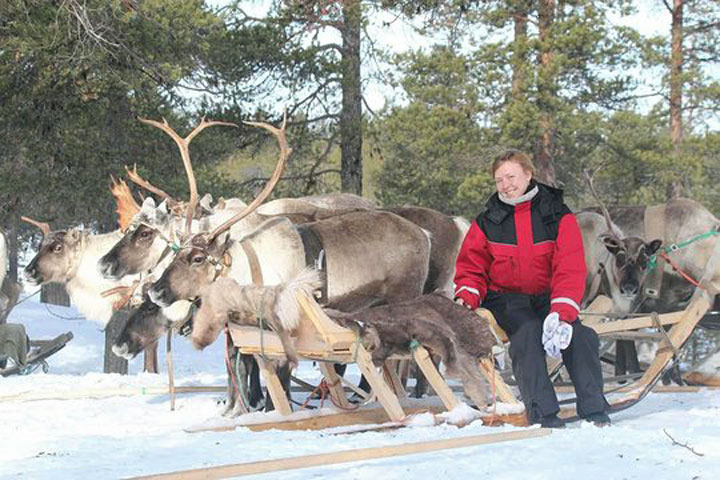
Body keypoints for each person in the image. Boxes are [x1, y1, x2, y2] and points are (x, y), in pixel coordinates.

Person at [454, 150, 610, 428]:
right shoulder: (488, 221)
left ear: (528, 175)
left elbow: (570, 265)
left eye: (511, 176)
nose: (506, 185)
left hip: (550, 296)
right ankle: (543, 412)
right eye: (499, 179)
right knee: (527, 333)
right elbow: (472, 267)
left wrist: (561, 310)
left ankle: (595, 409)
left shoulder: (558, 215)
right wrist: (467, 295)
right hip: (506, 299)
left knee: (580, 335)